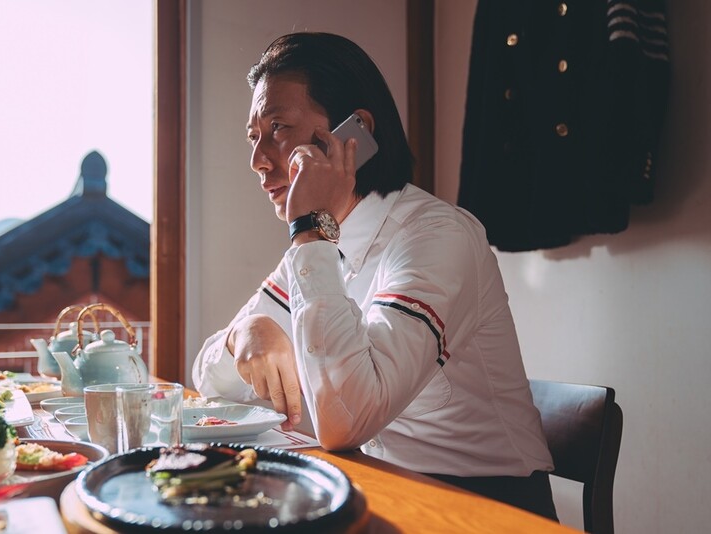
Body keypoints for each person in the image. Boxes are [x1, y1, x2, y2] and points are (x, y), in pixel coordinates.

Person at [192, 32, 558, 521]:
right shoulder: (321, 244)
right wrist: (244, 333)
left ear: (354, 133)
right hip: (381, 487)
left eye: (277, 127)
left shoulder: (436, 236)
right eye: (253, 136)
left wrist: (310, 230)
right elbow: (206, 379)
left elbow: (346, 423)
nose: (258, 160)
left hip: (485, 507)